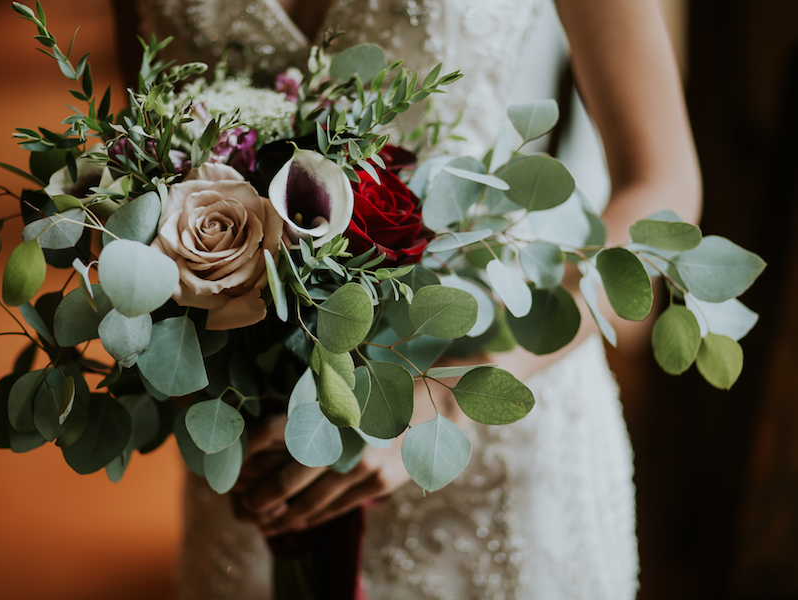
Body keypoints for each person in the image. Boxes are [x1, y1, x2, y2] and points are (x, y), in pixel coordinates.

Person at [114, 0, 701, 598]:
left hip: (490, 400)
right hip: (263, 422)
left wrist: (454, 398)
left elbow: (663, 184)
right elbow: (145, 156)